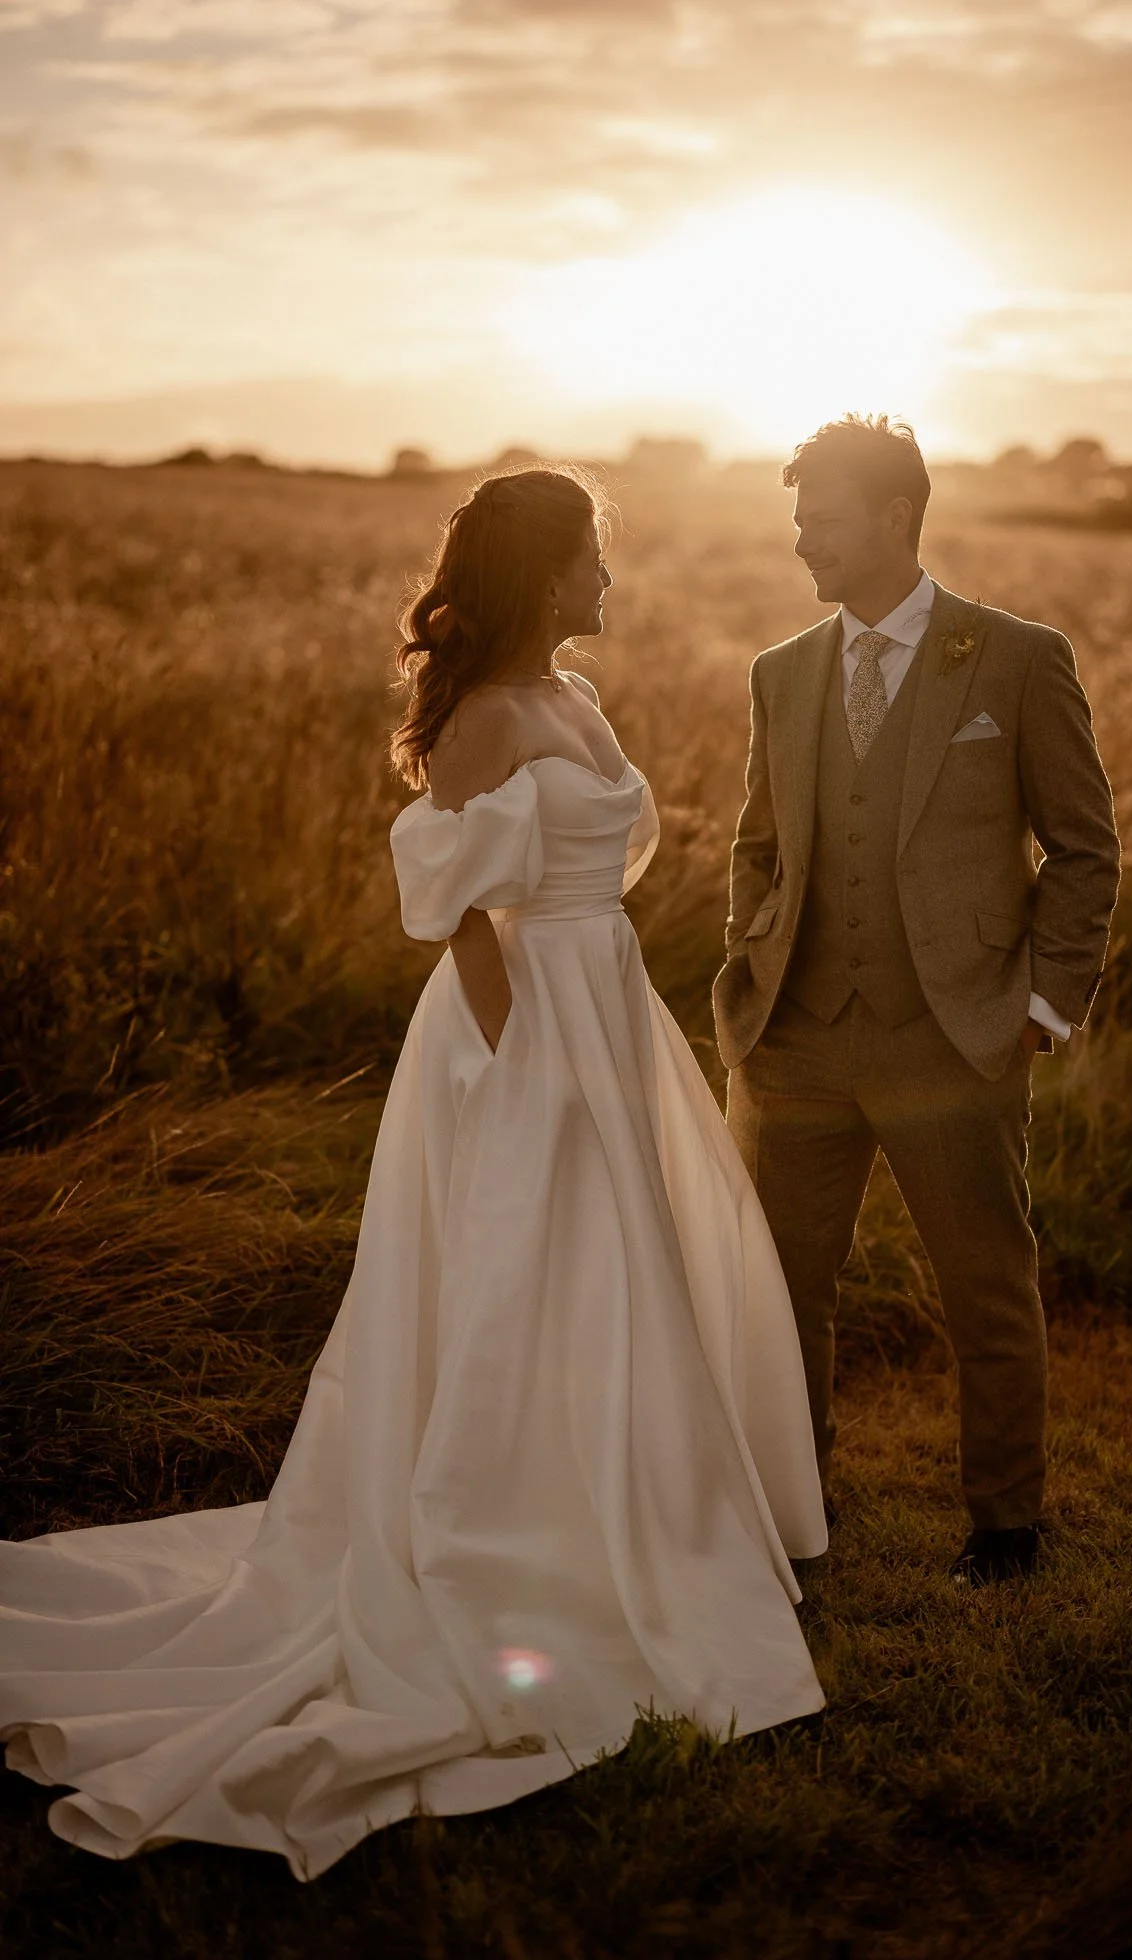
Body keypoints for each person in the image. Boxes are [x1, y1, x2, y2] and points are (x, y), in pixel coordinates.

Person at [0, 466, 826, 1881]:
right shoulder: (485, 721)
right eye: (589, 561)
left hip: (605, 1001)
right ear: (539, 574)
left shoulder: (574, 693)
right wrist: (525, 1067)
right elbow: (455, 916)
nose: (608, 582)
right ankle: (512, 1535)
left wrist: (601, 1027)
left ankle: (640, 1506)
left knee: (629, 1268)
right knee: (528, 1267)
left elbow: (598, 867)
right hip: (520, 1032)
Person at [715, 417, 1120, 1585]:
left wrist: (1045, 1004)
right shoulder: (779, 671)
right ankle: (794, 1512)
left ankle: (1004, 1523)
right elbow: (759, 844)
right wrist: (750, 959)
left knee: (985, 1281)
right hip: (790, 1041)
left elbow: (1083, 849)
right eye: (796, 522)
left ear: (894, 517)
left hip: (957, 1033)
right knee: (778, 1294)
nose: (802, 543)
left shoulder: (1012, 658)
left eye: (822, 520)